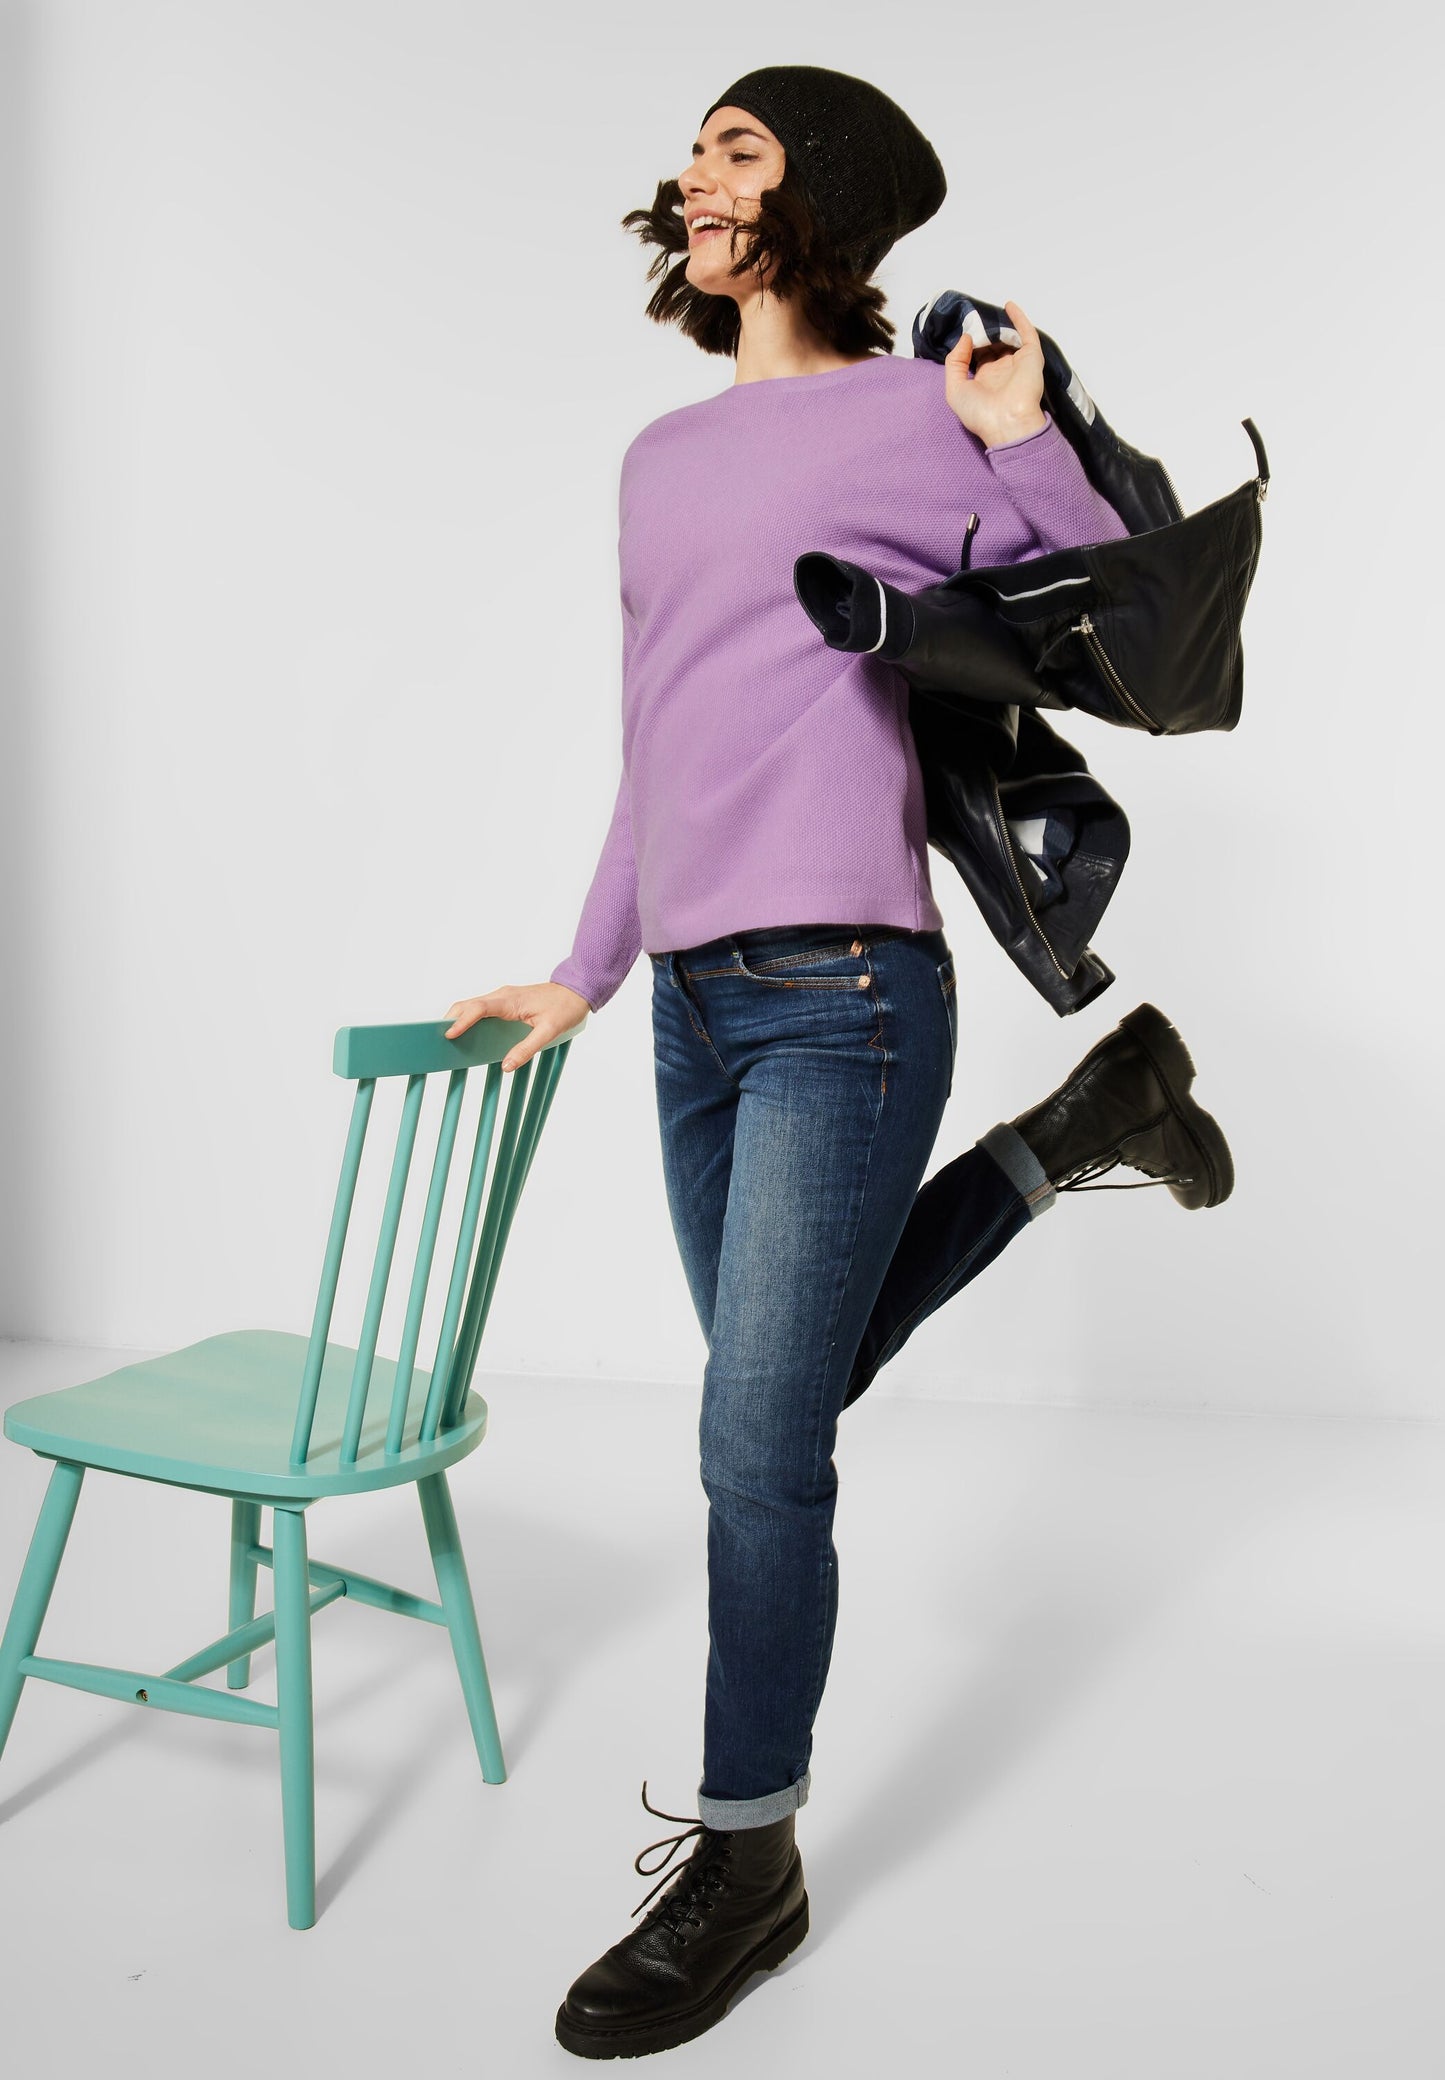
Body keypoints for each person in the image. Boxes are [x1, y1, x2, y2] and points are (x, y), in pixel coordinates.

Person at [443, 65, 1234, 2062]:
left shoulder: (909, 409)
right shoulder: (655, 457)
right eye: (693, 149)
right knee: (779, 1393)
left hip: (849, 997)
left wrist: (1022, 424)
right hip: (695, 1013)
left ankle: (748, 1857)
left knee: (753, 1446)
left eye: (738, 145)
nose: (693, 173)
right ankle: (1090, 1126)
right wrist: (583, 971)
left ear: (826, 195)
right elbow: (658, 734)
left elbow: (1118, 613)